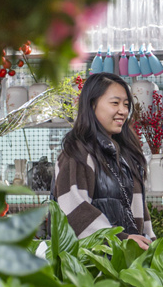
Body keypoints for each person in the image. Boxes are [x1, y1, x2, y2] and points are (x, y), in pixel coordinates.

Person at [53, 72, 154, 249]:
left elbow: (140, 215)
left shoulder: (126, 155)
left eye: (126, 105)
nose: (123, 111)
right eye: (115, 103)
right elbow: (73, 212)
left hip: (128, 263)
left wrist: (151, 244)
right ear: (92, 105)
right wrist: (121, 239)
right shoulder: (76, 153)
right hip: (93, 266)